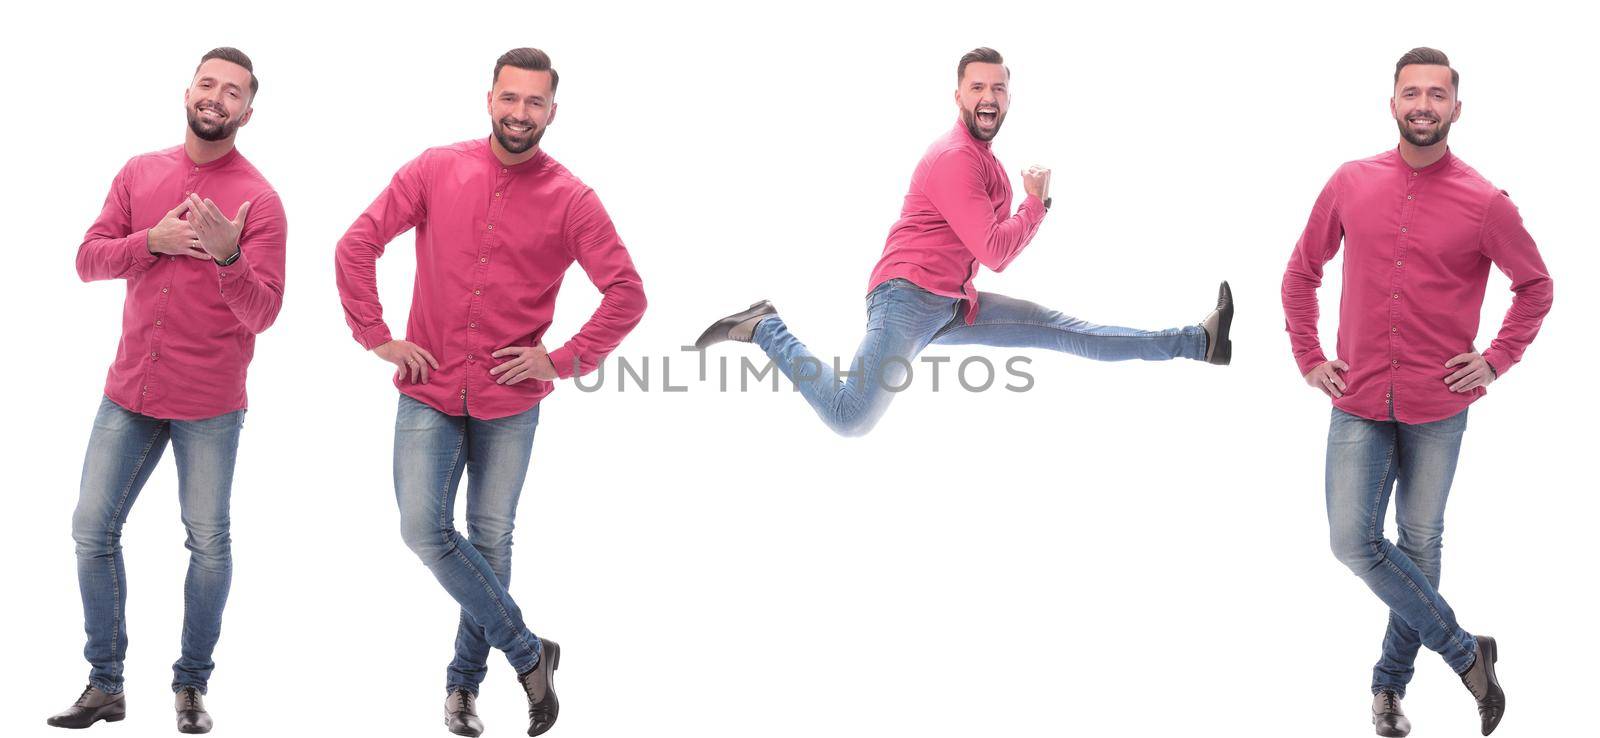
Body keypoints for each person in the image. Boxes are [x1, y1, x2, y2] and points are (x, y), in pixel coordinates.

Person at [334, 47, 646, 737]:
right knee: (423, 528)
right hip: (428, 386)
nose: (520, 113)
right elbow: (357, 244)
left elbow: (627, 294)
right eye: (510, 98)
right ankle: (531, 655)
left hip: (512, 401)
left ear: (552, 112)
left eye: (535, 103)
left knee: (492, 540)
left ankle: (462, 688)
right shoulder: (435, 167)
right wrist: (375, 334)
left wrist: (560, 360)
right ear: (489, 99)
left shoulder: (572, 199)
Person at [694, 47, 1232, 437]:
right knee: (848, 417)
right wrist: (1036, 205)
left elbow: (991, 244)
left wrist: (1029, 208)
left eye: (997, 87)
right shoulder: (954, 159)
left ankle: (1198, 342)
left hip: (952, 305)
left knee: (1070, 333)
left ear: (1008, 97)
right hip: (905, 300)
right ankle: (765, 326)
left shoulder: (988, 165)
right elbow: (997, 251)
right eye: (977, 87)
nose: (988, 97)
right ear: (958, 96)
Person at [1281, 47, 1552, 738]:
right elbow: (1301, 273)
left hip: (1440, 404)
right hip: (1359, 396)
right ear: (1393, 102)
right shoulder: (1350, 181)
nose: (1423, 105)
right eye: (1411, 93)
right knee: (1352, 542)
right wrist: (1310, 355)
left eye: (1437, 94)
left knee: (1421, 543)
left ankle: (1387, 690)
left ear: (1456, 108)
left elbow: (1536, 286)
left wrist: (1496, 361)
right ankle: (1467, 655)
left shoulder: (1486, 202)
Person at [50, 47, 286, 735]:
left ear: (248, 111)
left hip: (209, 401)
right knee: (92, 528)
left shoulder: (260, 200)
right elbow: (88, 260)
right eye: (207, 84)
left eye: (232, 91)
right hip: (128, 391)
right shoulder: (139, 172)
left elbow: (264, 314)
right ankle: (105, 683)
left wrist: (229, 257)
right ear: (188, 92)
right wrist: (148, 240)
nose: (216, 97)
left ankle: (190, 687)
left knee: (208, 541)